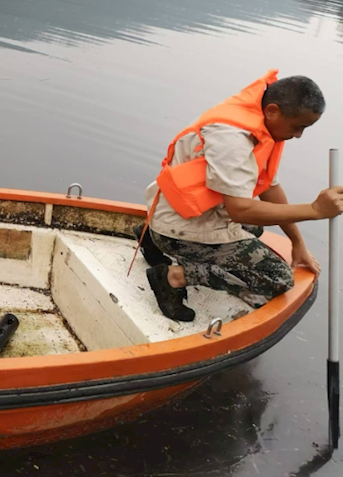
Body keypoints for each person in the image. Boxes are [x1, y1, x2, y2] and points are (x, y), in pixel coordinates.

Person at [141, 70, 343, 322]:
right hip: (180, 227)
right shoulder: (232, 140)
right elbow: (240, 211)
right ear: (272, 111)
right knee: (277, 279)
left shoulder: (260, 122)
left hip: (174, 211)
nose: (299, 135)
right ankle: (173, 277)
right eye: (297, 127)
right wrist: (314, 211)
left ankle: (152, 237)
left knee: (257, 227)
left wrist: (297, 242)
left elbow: (269, 188)